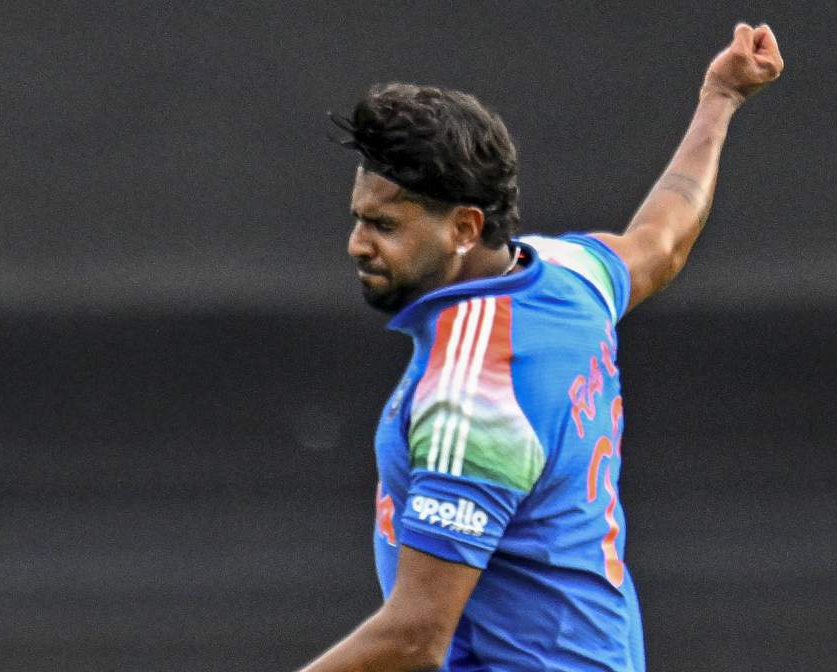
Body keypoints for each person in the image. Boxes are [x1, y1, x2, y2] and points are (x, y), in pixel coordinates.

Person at [300, 22, 783, 672]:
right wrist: (719, 99)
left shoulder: (473, 394)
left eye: (384, 225)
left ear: (465, 228)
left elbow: (416, 637)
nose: (358, 243)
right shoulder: (565, 274)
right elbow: (660, 243)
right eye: (358, 218)